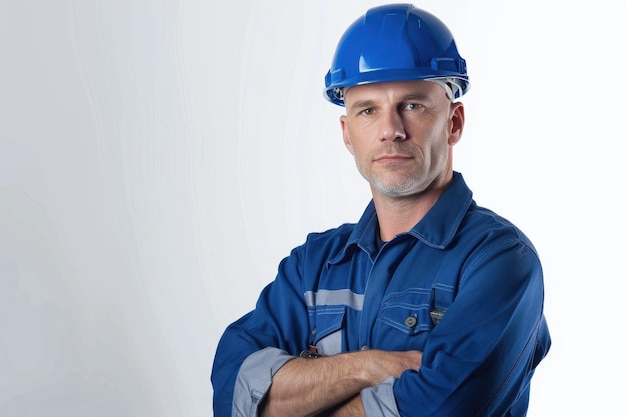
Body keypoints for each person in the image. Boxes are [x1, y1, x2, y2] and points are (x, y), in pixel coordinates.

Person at [211, 3, 551, 416]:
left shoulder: (498, 260)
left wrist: (306, 388)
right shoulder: (313, 266)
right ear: (347, 134)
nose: (391, 130)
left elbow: (442, 410)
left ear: (454, 122)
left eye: (412, 105)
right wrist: (365, 367)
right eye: (368, 110)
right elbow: (233, 390)